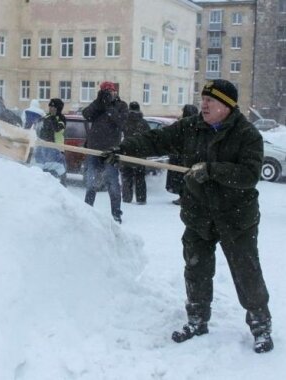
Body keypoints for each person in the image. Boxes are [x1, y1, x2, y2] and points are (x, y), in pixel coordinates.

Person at [103, 79, 274, 353]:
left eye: (211, 101)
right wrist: (124, 150)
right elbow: (156, 139)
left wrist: (212, 170)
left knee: (246, 272)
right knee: (196, 269)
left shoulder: (247, 134)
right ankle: (197, 319)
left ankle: (260, 325)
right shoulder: (191, 126)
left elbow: (249, 175)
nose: (204, 104)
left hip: (235, 218)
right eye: (203, 99)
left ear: (227, 106)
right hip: (199, 214)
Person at [82, 81, 128, 223]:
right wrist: (99, 102)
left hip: (111, 150)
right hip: (94, 148)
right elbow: (86, 114)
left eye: (111, 91)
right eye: (106, 91)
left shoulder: (122, 106)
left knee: (112, 183)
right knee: (91, 182)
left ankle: (116, 213)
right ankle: (86, 211)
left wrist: (109, 107)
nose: (110, 93)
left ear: (116, 92)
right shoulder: (98, 105)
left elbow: (121, 122)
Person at [166, 104, 199, 205]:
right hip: (184, 156)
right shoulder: (195, 124)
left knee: (182, 178)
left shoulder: (184, 125)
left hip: (182, 156)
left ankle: (184, 197)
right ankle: (184, 196)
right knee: (185, 177)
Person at [120, 101, 150, 204]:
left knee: (126, 176)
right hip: (140, 154)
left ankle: (126, 198)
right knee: (140, 177)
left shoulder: (125, 121)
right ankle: (141, 199)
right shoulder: (144, 123)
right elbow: (149, 137)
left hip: (127, 152)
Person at [34, 98, 67, 186]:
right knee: (41, 172)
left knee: (58, 173)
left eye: (53, 106)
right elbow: (39, 131)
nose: (50, 108)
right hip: (43, 149)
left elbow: (57, 129)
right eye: (50, 106)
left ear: (58, 108)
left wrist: (53, 117)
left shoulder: (61, 118)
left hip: (56, 149)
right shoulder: (45, 117)